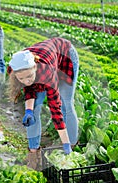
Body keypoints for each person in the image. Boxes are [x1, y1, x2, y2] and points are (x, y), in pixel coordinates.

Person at [7, 37, 79, 170]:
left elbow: (55, 111)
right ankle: (33, 153)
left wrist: (65, 144)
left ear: (34, 67)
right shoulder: (15, 69)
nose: (26, 81)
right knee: (34, 109)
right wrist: (28, 111)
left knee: (65, 104)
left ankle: (71, 146)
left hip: (65, 56)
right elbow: (29, 89)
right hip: (46, 58)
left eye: (29, 77)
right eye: (21, 78)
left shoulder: (46, 73)